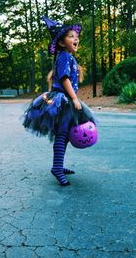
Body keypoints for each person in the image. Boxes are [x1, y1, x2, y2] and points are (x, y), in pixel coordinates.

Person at [23, 16, 97, 186]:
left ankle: (59, 165)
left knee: (66, 135)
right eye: (71, 36)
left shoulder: (70, 57)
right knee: (63, 134)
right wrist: (74, 98)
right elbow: (64, 79)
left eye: (76, 36)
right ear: (62, 43)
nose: (75, 38)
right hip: (62, 101)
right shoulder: (64, 56)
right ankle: (57, 167)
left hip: (66, 100)